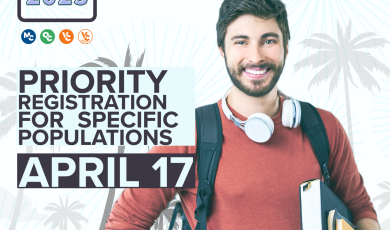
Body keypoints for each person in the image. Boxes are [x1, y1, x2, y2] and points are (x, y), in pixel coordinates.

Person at [106, 0, 380, 229]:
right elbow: (126, 220)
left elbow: (360, 208)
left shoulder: (324, 127)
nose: (255, 56)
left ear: (286, 47)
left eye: (268, 40)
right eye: (241, 42)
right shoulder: (187, 133)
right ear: (222, 50)